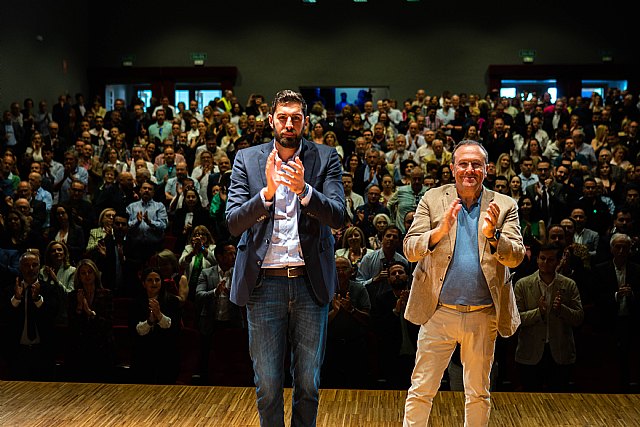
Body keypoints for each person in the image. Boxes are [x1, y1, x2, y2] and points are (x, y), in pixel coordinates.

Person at [225, 90, 344, 427]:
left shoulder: (325, 157)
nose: (289, 124)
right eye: (283, 117)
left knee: (308, 383)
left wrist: (305, 190)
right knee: (267, 385)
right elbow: (233, 222)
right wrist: (267, 193)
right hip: (264, 285)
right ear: (271, 120)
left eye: (296, 117)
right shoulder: (247, 159)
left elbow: (337, 216)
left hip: (309, 283)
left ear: (305, 121)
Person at [403, 140, 525, 427]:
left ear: (486, 169)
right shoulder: (433, 199)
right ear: (452, 168)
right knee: (421, 390)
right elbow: (410, 248)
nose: (469, 170)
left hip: (483, 314)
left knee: (478, 393)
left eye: (476, 164)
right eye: (463, 164)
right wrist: (438, 231)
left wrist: (494, 236)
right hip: (438, 311)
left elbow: (517, 257)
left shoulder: (505, 205)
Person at [514, 243, 584, 392]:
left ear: (558, 261)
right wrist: (538, 312)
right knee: (530, 401)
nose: (546, 263)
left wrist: (561, 310)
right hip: (530, 352)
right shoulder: (522, 285)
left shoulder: (569, 285)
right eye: (542, 258)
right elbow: (516, 320)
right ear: (537, 259)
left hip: (560, 352)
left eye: (551, 259)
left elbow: (579, 318)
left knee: (559, 402)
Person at [130, 267, 182, 384]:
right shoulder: (136, 303)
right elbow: (136, 330)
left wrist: (159, 315)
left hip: (166, 354)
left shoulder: (172, 301)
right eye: (150, 280)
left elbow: (173, 327)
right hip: (143, 355)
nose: (154, 283)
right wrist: (149, 321)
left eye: (157, 280)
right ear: (143, 283)